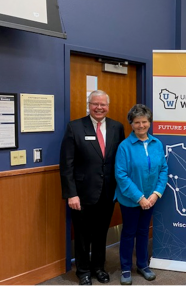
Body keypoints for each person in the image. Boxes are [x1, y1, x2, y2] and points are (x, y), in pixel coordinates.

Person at [60, 90, 125, 286]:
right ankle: (83, 271)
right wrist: (71, 194)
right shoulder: (75, 127)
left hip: (107, 192)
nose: (99, 107)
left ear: (108, 106)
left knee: (100, 233)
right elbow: (67, 164)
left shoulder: (117, 127)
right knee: (82, 235)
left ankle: (99, 267)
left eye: (103, 104)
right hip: (82, 193)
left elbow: (119, 160)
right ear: (89, 105)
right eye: (95, 104)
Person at [114, 104, 168, 286]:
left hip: (151, 199)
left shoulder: (157, 144)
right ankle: (126, 268)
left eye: (144, 122)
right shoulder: (124, 147)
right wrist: (140, 198)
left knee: (144, 232)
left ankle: (143, 265)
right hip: (130, 200)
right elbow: (121, 175)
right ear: (131, 124)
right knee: (129, 232)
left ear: (149, 123)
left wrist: (155, 194)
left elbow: (163, 170)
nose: (141, 125)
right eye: (137, 122)